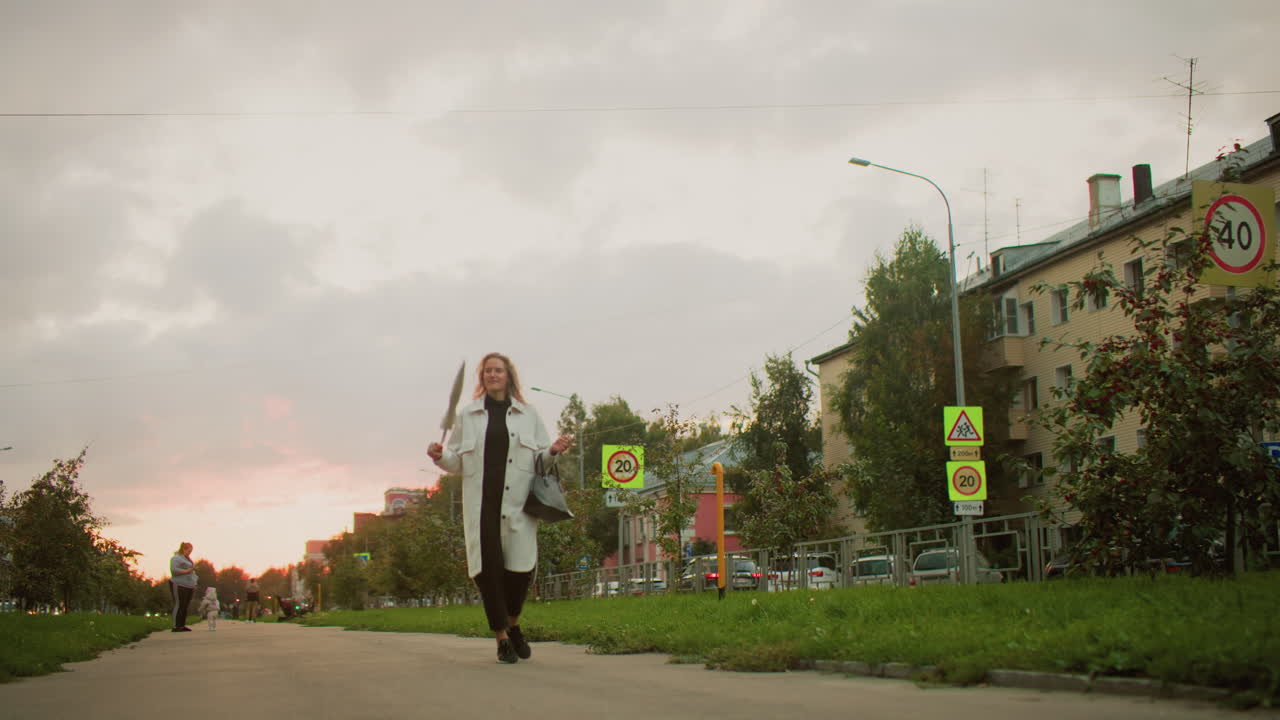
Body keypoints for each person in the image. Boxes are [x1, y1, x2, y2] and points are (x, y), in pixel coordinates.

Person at [428, 352, 572, 664]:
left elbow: (540, 460)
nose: (493, 375)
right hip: (482, 508)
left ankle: (515, 625)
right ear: (482, 378)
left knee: (520, 572)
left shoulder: (528, 414)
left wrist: (553, 451)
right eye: (488, 371)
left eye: (499, 371)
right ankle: (502, 638)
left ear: (508, 377)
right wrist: (439, 456)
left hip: (518, 504)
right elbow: (456, 462)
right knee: (488, 574)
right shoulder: (467, 416)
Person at [169, 542, 198, 632]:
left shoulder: (188, 559)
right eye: (189, 551)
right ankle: (175, 626)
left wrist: (194, 583)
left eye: (191, 551)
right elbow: (174, 570)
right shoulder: (176, 558)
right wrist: (187, 571)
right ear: (184, 549)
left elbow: (192, 571)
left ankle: (182, 625)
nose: (190, 553)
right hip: (179, 584)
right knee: (179, 604)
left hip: (189, 585)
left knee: (185, 605)